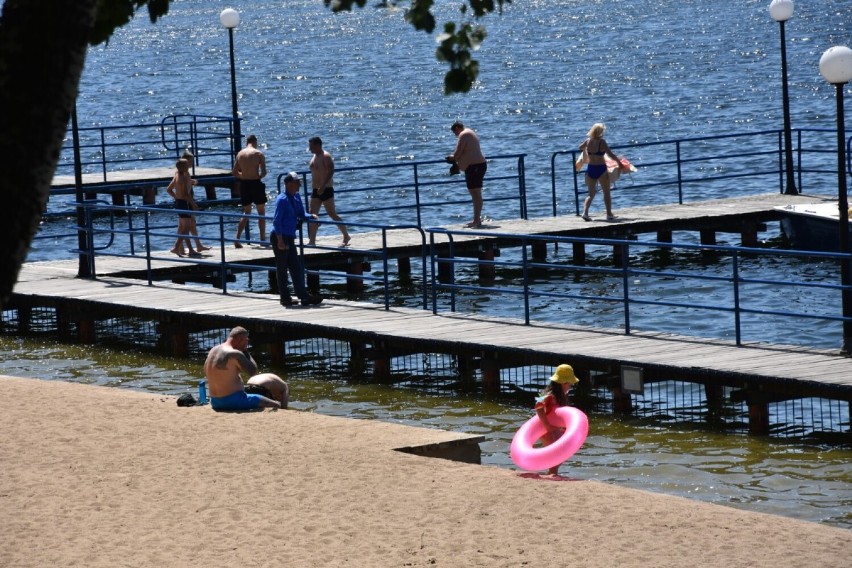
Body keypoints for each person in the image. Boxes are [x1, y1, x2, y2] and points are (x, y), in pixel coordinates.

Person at [203, 326, 289, 411]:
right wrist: (245, 350)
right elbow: (253, 371)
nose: (247, 343)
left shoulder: (213, 350)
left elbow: (205, 370)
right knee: (275, 404)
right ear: (240, 339)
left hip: (214, 401)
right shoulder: (234, 353)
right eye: (246, 340)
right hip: (232, 400)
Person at [271, 172, 323, 307]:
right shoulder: (282, 199)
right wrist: (280, 240)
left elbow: (301, 214)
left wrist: (312, 216)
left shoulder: (297, 197)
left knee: (295, 266)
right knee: (282, 268)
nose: (299, 185)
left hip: (290, 236)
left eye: (299, 182)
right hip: (280, 236)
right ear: (288, 184)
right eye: (296, 183)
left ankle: (303, 296)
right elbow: (276, 221)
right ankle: (285, 298)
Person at [534, 364, 579, 476]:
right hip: (547, 428)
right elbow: (538, 406)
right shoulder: (551, 396)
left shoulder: (560, 395)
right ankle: (552, 474)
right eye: (570, 383)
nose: (571, 386)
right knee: (557, 454)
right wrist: (547, 425)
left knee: (560, 453)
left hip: (553, 428)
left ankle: (552, 473)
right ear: (563, 383)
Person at [307, 136, 351, 246]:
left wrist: (323, 186)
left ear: (317, 145)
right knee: (312, 214)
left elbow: (331, 171)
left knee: (332, 214)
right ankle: (312, 241)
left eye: (311, 146)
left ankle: (346, 236)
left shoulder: (325, 156)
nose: (309, 148)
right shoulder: (314, 156)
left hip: (326, 188)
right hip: (315, 190)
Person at [579, 123, 623, 222]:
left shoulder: (588, 141)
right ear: (601, 132)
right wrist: (619, 162)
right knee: (606, 192)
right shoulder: (602, 142)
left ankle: (585, 212)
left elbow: (580, 147)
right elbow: (610, 154)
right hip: (601, 168)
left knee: (591, 193)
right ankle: (609, 214)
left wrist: (586, 151)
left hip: (591, 168)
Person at [446, 121, 487, 228]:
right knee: (475, 193)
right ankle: (476, 219)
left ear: (457, 128)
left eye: (455, 132)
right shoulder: (469, 132)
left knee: (476, 193)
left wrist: (451, 158)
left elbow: (458, 153)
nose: (455, 135)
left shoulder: (463, 135)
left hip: (475, 167)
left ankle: (477, 220)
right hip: (475, 166)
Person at [232, 134, 268, 248]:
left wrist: (244, 175)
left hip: (245, 184)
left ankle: (237, 238)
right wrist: (257, 176)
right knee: (261, 213)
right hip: (255, 183)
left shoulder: (240, 154)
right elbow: (264, 172)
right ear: (255, 142)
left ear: (246, 142)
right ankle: (262, 240)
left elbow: (234, 172)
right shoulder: (258, 154)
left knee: (246, 212)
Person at [166, 158, 202, 258]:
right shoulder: (184, 177)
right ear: (182, 167)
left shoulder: (177, 175)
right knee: (186, 227)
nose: (188, 167)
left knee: (184, 226)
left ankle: (189, 249)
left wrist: (177, 197)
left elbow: (169, 190)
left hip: (179, 202)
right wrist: (194, 205)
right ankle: (177, 247)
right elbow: (187, 194)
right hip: (185, 203)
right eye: (186, 165)